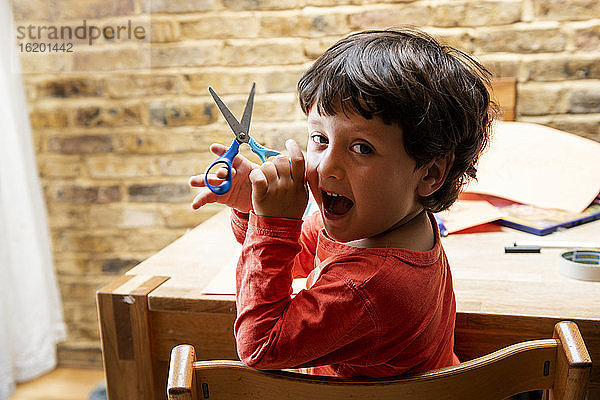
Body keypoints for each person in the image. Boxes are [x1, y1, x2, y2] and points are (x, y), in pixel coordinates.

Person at [189, 27, 496, 378]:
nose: (327, 168)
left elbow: (259, 346)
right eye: (320, 138)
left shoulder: (368, 286)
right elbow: (292, 259)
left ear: (429, 174)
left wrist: (272, 225)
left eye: (361, 148)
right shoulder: (386, 221)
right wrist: (252, 208)